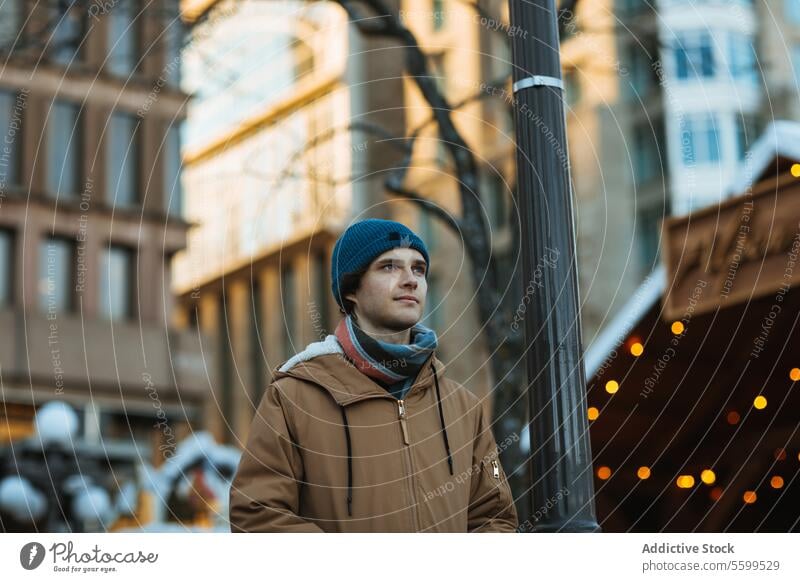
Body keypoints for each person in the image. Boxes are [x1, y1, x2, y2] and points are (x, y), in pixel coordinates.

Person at [229, 218, 518, 532]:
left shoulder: (463, 406)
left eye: (419, 268)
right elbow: (257, 517)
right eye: (389, 267)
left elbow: (495, 518)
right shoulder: (293, 397)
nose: (411, 280)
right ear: (351, 289)